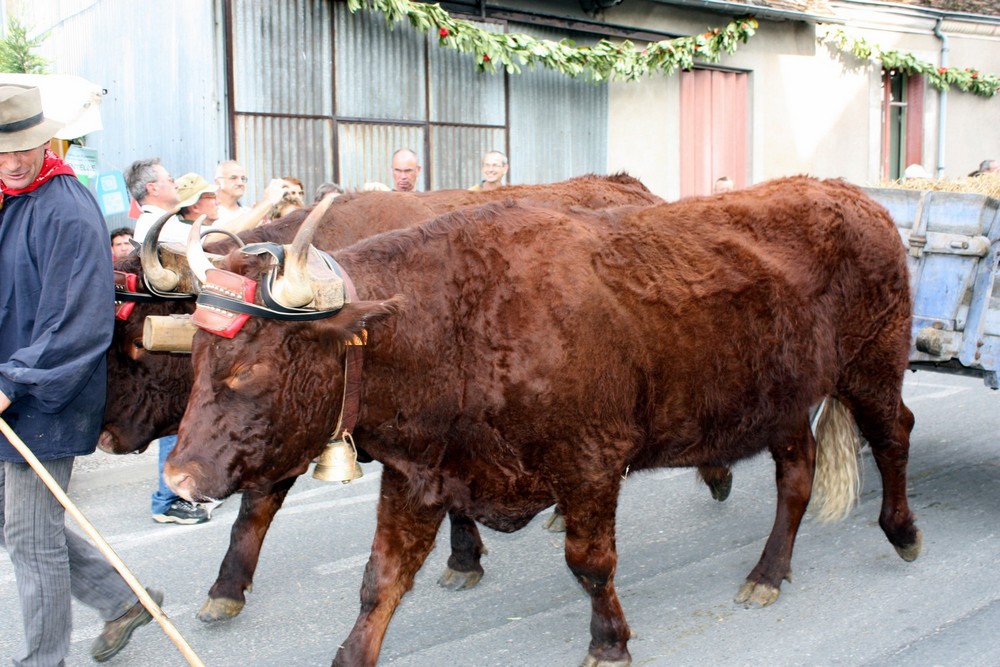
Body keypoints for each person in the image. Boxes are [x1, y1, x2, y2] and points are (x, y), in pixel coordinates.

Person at [0, 84, 162, 665]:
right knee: (13, 524)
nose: (15, 162)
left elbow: (78, 323)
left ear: (48, 140)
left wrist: (11, 381)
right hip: (12, 382)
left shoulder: (66, 207)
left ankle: (44, 660)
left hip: (49, 393)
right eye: (2, 150)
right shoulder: (6, 199)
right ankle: (123, 599)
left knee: (30, 538)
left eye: (26, 147)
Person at [124, 157, 180, 243]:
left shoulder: (151, 221)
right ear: (153, 189)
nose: (177, 185)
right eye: (170, 180)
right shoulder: (155, 224)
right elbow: (204, 240)